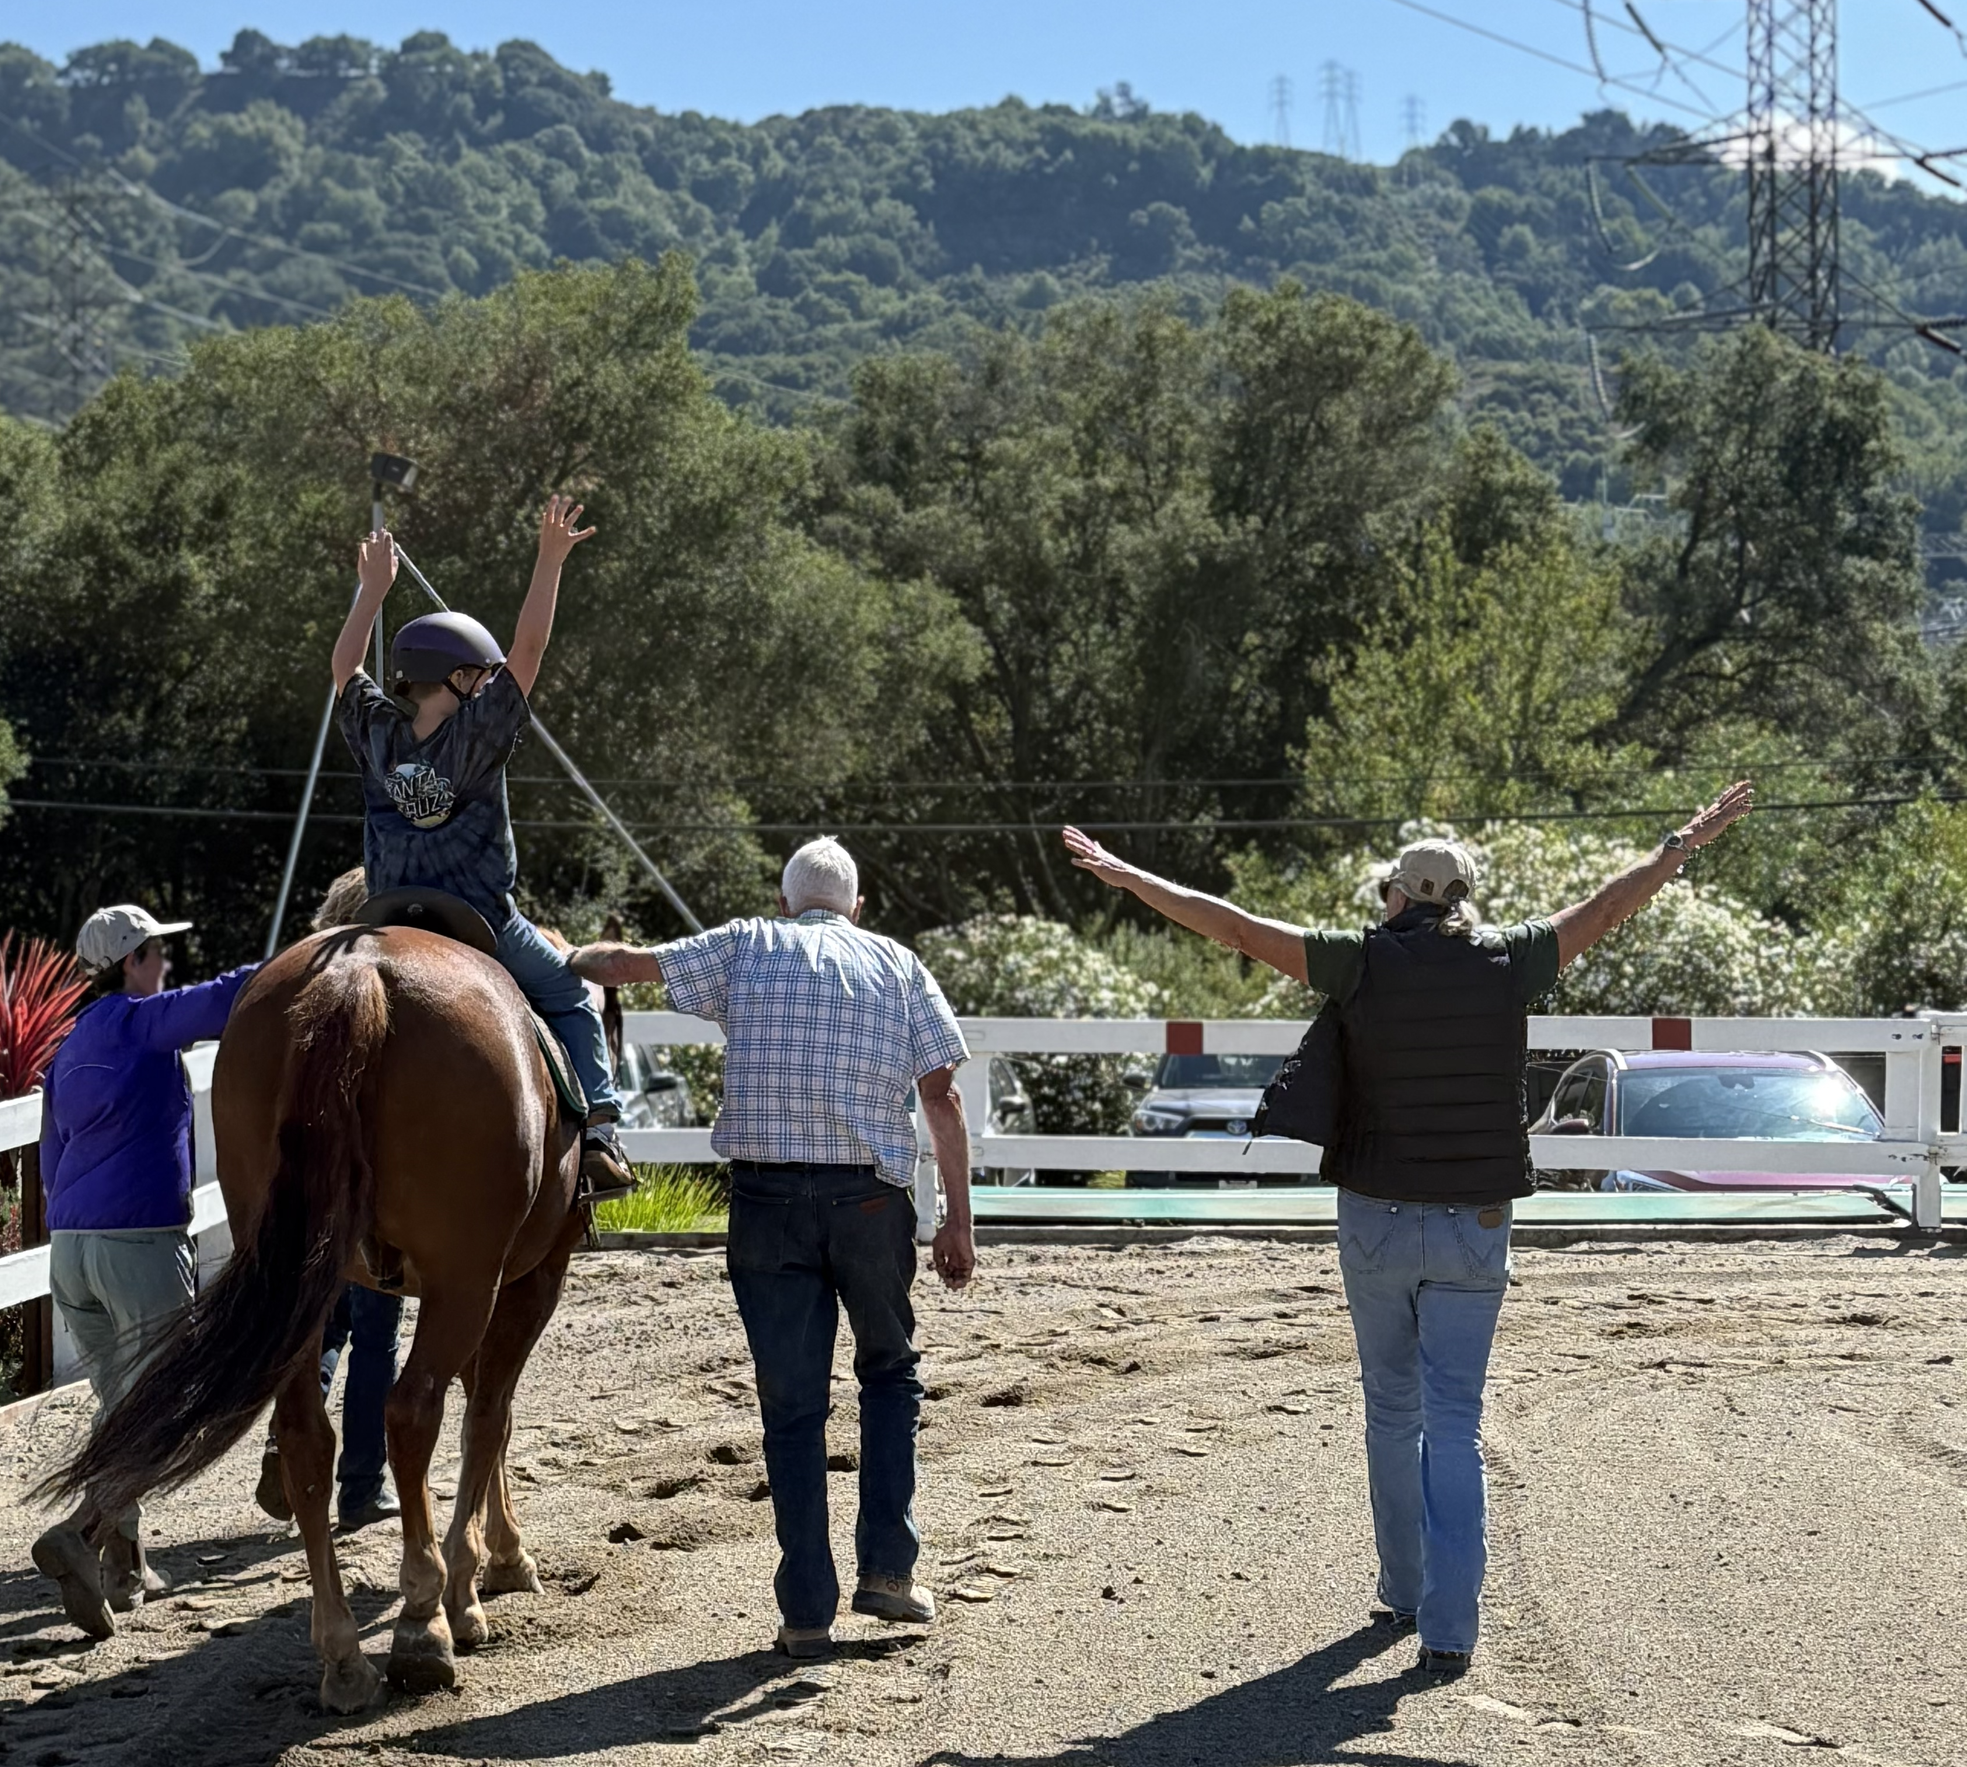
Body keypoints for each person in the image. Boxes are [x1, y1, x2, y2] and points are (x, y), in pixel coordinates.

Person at [1058, 781, 1756, 1675]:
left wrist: (1129, 875)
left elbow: (1230, 924)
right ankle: (1450, 1629)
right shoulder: (1512, 958)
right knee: (1455, 1422)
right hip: (1477, 1218)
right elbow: (1610, 905)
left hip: (1377, 1217)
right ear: (1462, 898)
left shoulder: (1359, 960)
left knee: (1392, 1411)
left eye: (1387, 889)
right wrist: (1677, 844)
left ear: (1399, 895)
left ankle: (1402, 1585)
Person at [569, 837, 977, 1660]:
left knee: (792, 1408)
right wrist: (958, 1219)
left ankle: (805, 1609)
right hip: (869, 1199)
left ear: (787, 900)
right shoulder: (897, 964)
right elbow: (943, 1096)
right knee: (890, 1374)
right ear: (856, 907)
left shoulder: (748, 944)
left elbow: (626, 965)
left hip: (765, 1201)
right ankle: (889, 1572)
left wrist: (555, 947)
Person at [329, 497, 634, 1200]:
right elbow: (528, 651)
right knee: (569, 995)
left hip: (386, 914)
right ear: (463, 678)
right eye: (482, 674)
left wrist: (371, 592)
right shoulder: (477, 733)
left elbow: (345, 668)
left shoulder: (380, 732)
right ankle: (600, 1135)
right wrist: (548, 562)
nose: (490, 683)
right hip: (480, 921)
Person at [31, 903, 259, 1639]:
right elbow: (225, 998)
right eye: (157, 951)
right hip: (140, 1242)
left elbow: (50, 1160)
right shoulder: (136, 1022)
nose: (166, 964)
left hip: (71, 1248)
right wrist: (312, 954)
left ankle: (126, 1569)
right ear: (130, 961)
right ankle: (82, 1530)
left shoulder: (68, 1049)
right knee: (165, 1402)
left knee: (122, 1405)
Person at [253, 866, 404, 1533]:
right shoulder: (382, 994)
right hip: (368, 1192)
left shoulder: (306, 992)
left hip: (305, 1192)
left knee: (323, 1322)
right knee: (376, 1333)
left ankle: (286, 1443)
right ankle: (363, 1485)